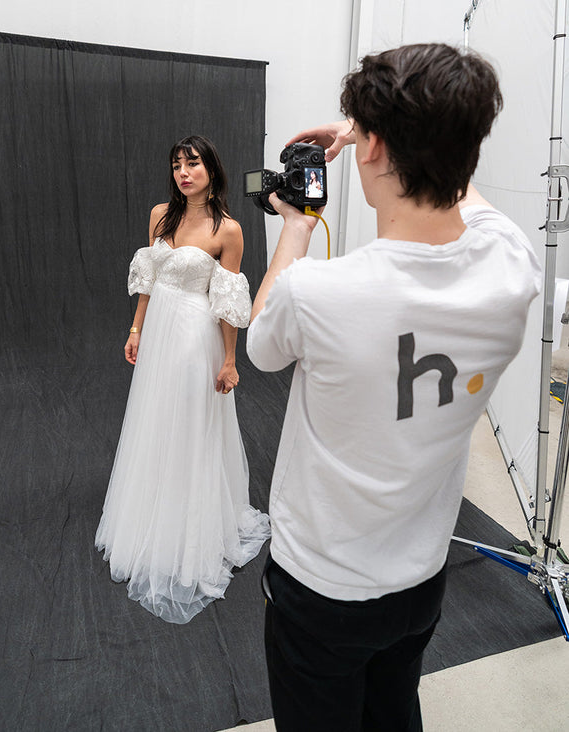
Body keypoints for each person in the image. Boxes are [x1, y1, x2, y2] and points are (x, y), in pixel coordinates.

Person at [246, 44, 541, 730]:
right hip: (421, 578)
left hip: (321, 588)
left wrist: (296, 226)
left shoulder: (318, 294)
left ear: (374, 147)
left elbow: (260, 344)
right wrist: (377, 132)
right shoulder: (512, 266)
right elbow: (461, 184)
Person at [96, 135, 270, 624]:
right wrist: (136, 329)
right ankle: (152, 509)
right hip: (159, 333)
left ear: (211, 169)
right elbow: (149, 281)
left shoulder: (228, 230)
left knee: (191, 423)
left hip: (196, 335)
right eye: (177, 165)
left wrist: (230, 360)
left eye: (192, 163)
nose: (184, 172)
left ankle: (191, 529)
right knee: (154, 418)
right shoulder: (161, 216)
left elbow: (227, 300)